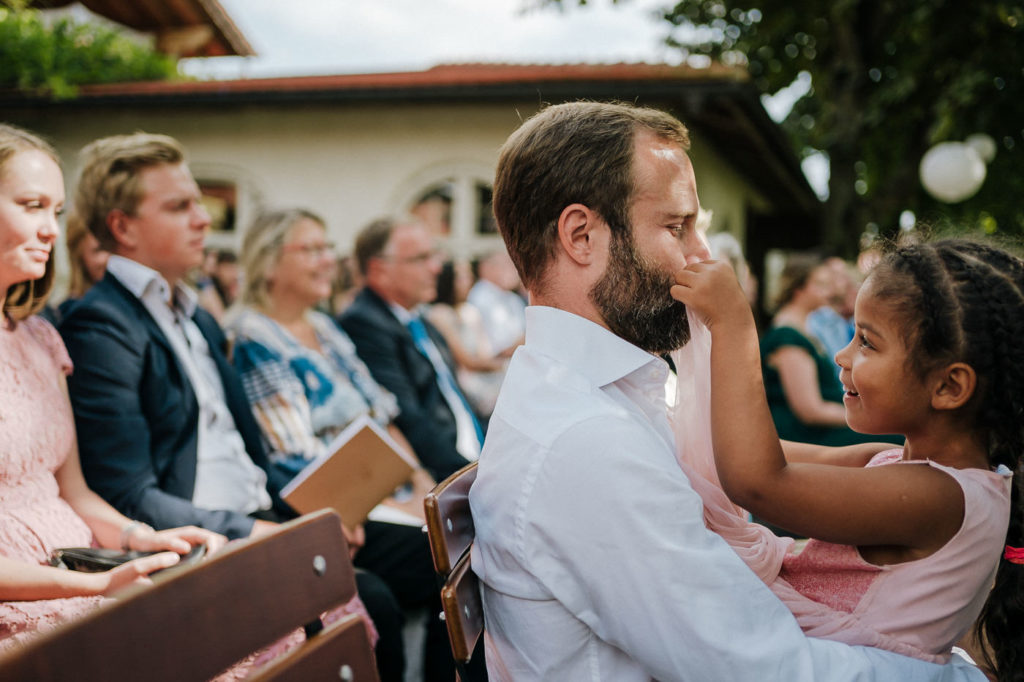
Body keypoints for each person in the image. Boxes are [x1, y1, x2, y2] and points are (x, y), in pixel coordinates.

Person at [468, 101, 985, 680]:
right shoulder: (586, 442)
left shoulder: (591, 397)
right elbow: (761, 668)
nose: (702, 256)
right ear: (582, 235)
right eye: (676, 226)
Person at [673, 238, 1023, 679]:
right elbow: (753, 453)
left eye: (867, 343)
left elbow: (759, 481)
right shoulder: (892, 461)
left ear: (949, 387)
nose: (842, 354)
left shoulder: (939, 498)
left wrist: (734, 325)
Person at [0, 123, 224, 652]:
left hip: (82, 565)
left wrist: (137, 538)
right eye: (31, 205)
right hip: (30, 601)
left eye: (55, 212)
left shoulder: (40, 337)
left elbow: (74, 492)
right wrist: (95, 585)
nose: (52, 230)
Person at [226, 208, 457, 682]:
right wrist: (367, 506)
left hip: (382, 497)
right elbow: (294, 458)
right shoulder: (253, 336)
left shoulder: (326, 328)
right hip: (335, 511)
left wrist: (421, 490)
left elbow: (383, 413)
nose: (329, 260)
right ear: (269, 263)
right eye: (311, 250)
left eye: (328, 248)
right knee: (447, 558)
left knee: (457, 536)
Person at [339, 217, 481, 481]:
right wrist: (475, 476)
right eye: (421, 258)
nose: (436, 268)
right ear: (379, 269)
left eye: (434, 256)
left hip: (472, 460)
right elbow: (409, 422)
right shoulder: (364, 324)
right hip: (443, 478)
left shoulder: (421, 320)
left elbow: (456, 402)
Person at [763, 252, 894, 446]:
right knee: (896, 439)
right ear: (799, 289)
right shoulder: (787, 338)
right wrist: (867, 418)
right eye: (821, 285)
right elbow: (810, 410)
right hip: (807, 436)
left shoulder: (801, 328)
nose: (829, 291)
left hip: (823, 429)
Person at [428, 259, 507, 418]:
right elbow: (467, 362)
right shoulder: (440, 313)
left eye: (468, 276)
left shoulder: (470, 311)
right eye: (460, 277)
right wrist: (505, 366)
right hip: (463, 383)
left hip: (484, 376)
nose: (467, 281)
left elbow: (484, 353)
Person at [465, 248, 526, 355]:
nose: (515, 270)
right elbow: (498, 350)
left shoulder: (513, 298)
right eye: (506, 265)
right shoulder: (481, 296)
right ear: (485, 268)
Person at [196, 249, 240, 322]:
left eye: (235, 269)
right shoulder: (209, 294)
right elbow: (223, 323)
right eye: (229, 269)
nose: (234, 275)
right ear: (217, 269)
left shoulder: (229, 291)